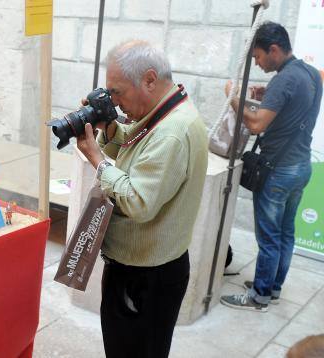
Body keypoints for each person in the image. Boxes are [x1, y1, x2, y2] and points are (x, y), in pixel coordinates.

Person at [75, 40, 208, 358]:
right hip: (145, 270)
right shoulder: (168, 113)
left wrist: (98, 159)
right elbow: (140, 150)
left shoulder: (172, 132)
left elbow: (137, 202)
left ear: (149, 79)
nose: (116, 103)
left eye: (117, 92)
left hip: (146, 279)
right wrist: (108, 130)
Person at [220, 22, 321, 312]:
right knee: (286, 233)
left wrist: (233, 97)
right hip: (301, 167)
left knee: (268, 237)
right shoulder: (311, 74)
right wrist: (270, 96)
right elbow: (295, 109)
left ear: (273, 49)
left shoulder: (284, 80)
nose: (257, 62)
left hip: (278, 171)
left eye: (258, 56)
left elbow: (256, 125)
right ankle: (273, 287)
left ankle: (259, 296)